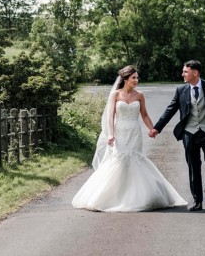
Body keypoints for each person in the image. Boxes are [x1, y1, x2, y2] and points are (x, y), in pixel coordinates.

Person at [72, 65, 187, 212]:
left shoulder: (139, 95)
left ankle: (138, 196)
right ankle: (111, 196)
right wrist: (111, 134)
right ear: (125, 79)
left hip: (134, 131)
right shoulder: (115, 95)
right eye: (134, 78)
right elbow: (110, 117)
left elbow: (144, 115)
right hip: (120, 131)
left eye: (137, 77)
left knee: (135, 159)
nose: (136, 80)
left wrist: (152, 129)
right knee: (119, 160)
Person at [150, 60, 205, 211]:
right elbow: (170, 110)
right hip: (189, 133)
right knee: (193, 167)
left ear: (195, 73)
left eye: (185, 71)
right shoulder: (181, 90)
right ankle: (197, 200)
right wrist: (157, 128)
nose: (182, 74)